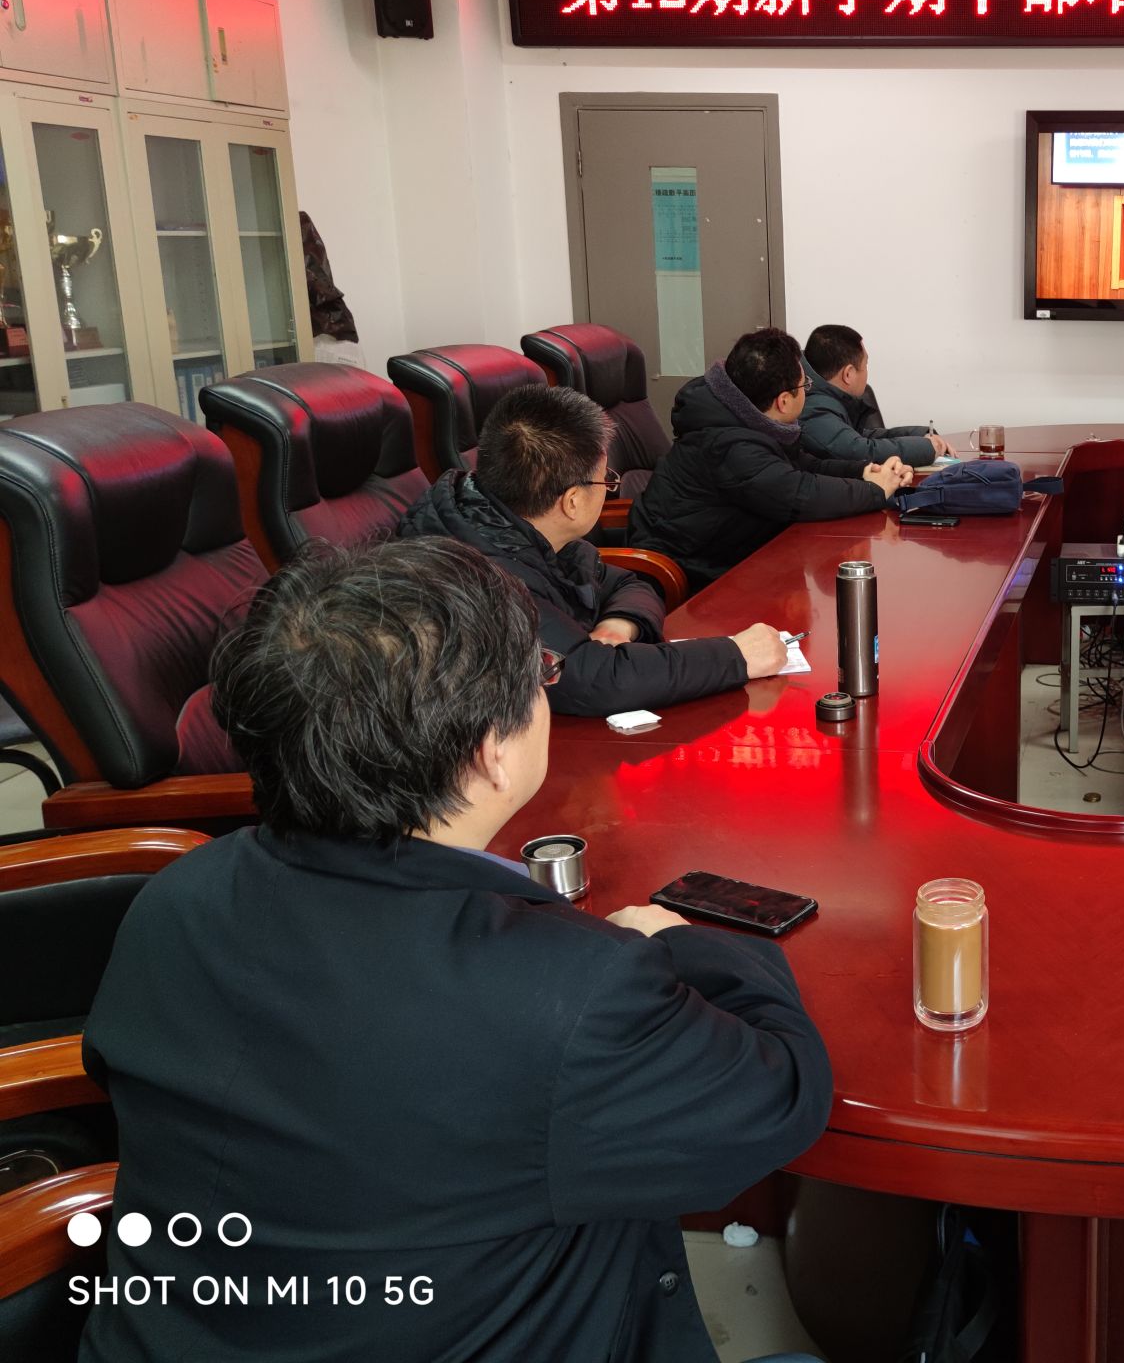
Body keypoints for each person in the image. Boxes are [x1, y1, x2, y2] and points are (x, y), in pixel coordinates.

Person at [80, 538, 833, 1363]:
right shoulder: (571, 997)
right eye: (542, 677)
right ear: (489, 754)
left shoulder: (172, 900)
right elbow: (780, 1095)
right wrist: (680, 944)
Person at [398, 383, 786, 716]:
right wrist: (736, 656)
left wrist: (620, 623)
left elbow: (627, 582)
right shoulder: (479, 577)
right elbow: (593, 680)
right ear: (571, 502)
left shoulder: (513, 523)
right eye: (606, 481)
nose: (609, 489)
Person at [632, 327, 913, 588]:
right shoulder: (729, 445)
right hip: (688, 569)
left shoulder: (747, 415)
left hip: (731, 553)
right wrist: (876, 491)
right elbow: (799, 493)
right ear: (783, 401)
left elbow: (803, 465)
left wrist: (865, 471)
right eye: (805, 386)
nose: (808, 392)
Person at [799, 323, 949, 467]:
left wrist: (920, 435)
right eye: (865, 365)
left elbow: (859, 437)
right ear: (848, 374)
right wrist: (926, 448)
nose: (866, 372)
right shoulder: (813, 409)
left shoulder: (821, 398)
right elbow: (860, 451)